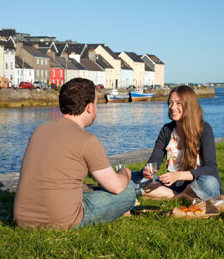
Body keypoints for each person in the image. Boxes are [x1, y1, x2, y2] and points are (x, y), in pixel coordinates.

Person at [14, 78, 136, 229]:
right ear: (90, 107)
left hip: (23, 218)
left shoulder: (39, 131)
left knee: (85, 187)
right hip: (64, 220)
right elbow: (116, 187)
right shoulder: (87, 140)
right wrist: (125, 173)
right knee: (128, 190)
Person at [132, 85, 224, 200]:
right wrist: (147, 170)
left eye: (178, 103)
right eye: (170, 103)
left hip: (197, 185)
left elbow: (211, 169)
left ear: (189, 105)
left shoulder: (204, 129)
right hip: (173, 187)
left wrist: (177, 175)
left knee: (210, 183)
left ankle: (174, 195)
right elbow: (154, 161)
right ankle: (179, 197)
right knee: (130, 177)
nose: (172, 107)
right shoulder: (167, 129)